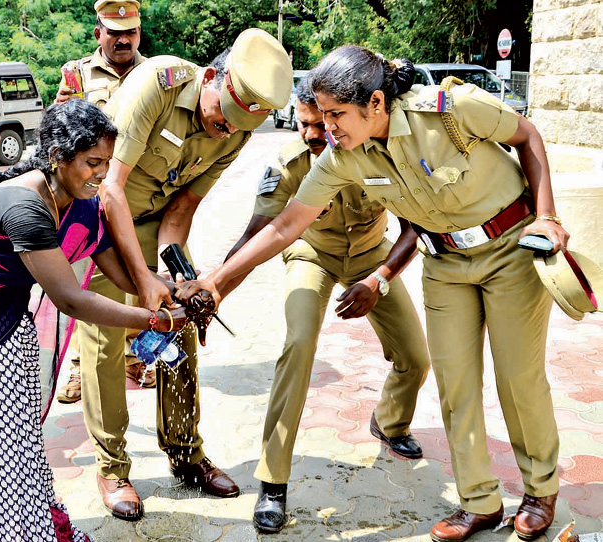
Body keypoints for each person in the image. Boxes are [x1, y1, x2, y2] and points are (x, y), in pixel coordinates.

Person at [178, 44, 568, 542]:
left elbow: (528, 135)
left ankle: (539, 490)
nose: (328, 127)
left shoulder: (449, 111)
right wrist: (215, 281)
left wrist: (548, 216)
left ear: (377, 104)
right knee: (455, 384)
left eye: (337, 114)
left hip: (508, 249)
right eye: (322, 115)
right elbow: (285, 225)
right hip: (446, 262)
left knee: (517, 377)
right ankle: (479, 503)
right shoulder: (340, 157)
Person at [0, 100, 188, 542]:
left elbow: (117, 271)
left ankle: (23, 522)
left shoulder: (80, 200)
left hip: (5, 307)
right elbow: (70, 299)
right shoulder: (24, 205)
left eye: (106, 163)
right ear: (58, 156)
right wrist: (154, 322)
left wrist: (170, 291)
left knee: (16, 429)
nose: (101, 174)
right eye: (91, 163)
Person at [77, 28, 292, 521]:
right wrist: (141, 280)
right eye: (221, 118)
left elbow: (183, 205)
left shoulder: (237, 128)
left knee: (181, 328)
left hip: (155, 221)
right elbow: (111, 189)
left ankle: (186, 454)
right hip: (101, 218)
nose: (223, 131)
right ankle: (112, 467)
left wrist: (179, 277)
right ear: (211, 77)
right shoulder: (159, 83)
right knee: (107, 341)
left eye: (236, 128)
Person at [223, 79, 430, 533]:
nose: (317, 133)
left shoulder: (375, 151)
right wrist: (215, 287)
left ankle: (390, 423)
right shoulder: (289, 161)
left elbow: (417, 226)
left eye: (324, 122)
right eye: (306, 123)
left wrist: (379, 279)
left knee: (416, 358)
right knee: (298, 344)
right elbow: (257, 232)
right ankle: (273, 481)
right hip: (312, 255)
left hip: (374, 258)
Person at [53, 0, 149, 404]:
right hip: (89, 201)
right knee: (86, 282)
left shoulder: (154, 74)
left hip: (139, 198)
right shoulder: (76, 74)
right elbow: (61, 127)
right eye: (114, 32)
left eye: (130, 32)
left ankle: (133, 355)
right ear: (99, 34)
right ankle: (78, 366)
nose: (123, 39)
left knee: (138, 277)